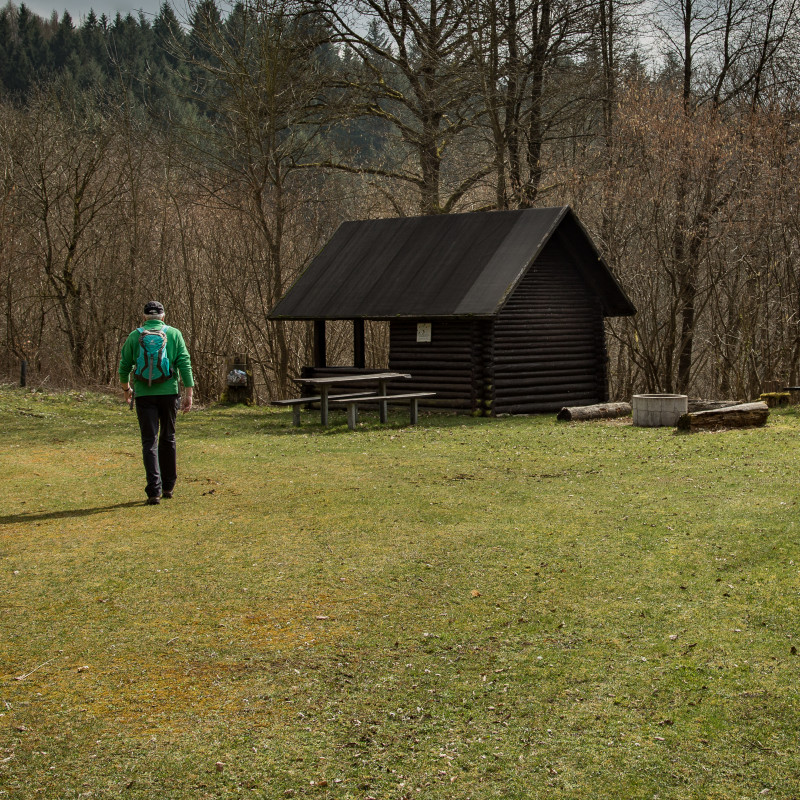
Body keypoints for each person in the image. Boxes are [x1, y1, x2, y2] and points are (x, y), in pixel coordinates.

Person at [119, 301, 194, 505]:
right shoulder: (174, 334)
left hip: (143, 394)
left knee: (149, 441)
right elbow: (184, 363)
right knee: (168, 437)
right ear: (163, 316)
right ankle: (169, 486)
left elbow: (124, 365)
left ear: (144, 317)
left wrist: (127, 390)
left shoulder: (135, 336)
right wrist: (189, 392)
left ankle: (154, 491)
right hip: (169, 392)